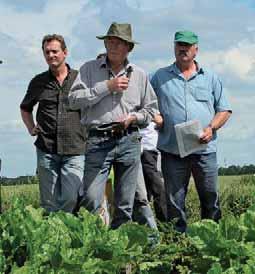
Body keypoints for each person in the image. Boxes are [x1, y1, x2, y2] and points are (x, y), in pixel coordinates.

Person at [69, 22, 158, 228]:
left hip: (129, 139)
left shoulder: (139, 75)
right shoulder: (89, 69)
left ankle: (120, 253)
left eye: (119, 42)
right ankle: (94, 247)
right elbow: (73, 100)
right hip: (98, 140)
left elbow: (151, 110)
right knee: (91, 198)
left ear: (129, 47)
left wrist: (133, 118)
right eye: (110, 41)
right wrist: (106, 87)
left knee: (125, 204)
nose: (113, 45)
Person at [150, 30, 232, 232]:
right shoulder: (159, 77)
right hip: (172, 151)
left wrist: (211, 128)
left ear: (196, 49)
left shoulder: (210, 78)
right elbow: (146, 104)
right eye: (179, 44)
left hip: (204, 150)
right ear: (174, 47)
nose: (182, 48)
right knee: (174, 202)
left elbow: (225, 109)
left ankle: (211, 240)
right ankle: (179, 248)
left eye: (187, 45)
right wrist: (156, 116)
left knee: (210, 198)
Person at [20, 34, 86, 213]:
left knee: (71, 197)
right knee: (49, 203)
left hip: (75, 148)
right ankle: (52, 238)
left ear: (65, 53)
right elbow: (25, 107)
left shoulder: (81, 79)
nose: (51, 55)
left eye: (55, 51)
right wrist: (31, 128)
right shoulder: (38, 82)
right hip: (46, 148)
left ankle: (68, 235)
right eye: (47, 52)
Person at [139, 119, 168, 222]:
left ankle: (146, 226)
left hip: (152, 149)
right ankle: (165, 226)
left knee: (146, 190)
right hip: (143, 148)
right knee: (158, 189)